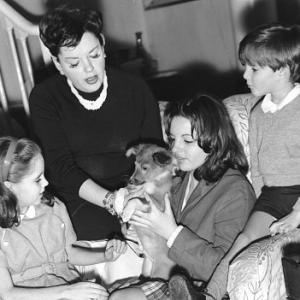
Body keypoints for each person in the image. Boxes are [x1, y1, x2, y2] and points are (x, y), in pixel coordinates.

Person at [29, 6, 163, 241]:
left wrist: (137, 198)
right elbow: (61, 169)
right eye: (73, 63)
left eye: (94, 55)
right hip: (79, 199)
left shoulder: (135, 89)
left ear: (102, 44)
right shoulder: (44, 98)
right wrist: (112, 201)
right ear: (58, 63)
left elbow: (155, 156)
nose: (89, 69)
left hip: (136, 190)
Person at [189, 23, 300, 300]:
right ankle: (208, 296)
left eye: (253, 68)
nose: (244, 74)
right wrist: (259, 204)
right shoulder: (257, 113)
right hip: (274, 196)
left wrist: (297, 214)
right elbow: (259, 170)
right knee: (243, 240)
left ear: (282, 71)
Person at [108, 95, 256, 300]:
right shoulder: (179, 179)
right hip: (166, 277)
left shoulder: (235, 191)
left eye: (187, 140)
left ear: (214, 140)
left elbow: (226, 268)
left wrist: (171, 232)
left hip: (198, 289)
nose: (175, 149)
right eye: (172, 139)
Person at [0, 136, 127, 300]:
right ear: (10, 187)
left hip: (69, 289)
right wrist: (67, 292)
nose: (46, 183)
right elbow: (7, 294)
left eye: (44, 175)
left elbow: (70, 254)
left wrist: (104, 255)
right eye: (37, 179)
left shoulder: (54, 208)